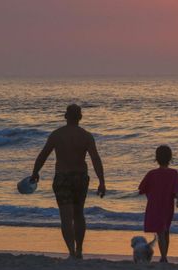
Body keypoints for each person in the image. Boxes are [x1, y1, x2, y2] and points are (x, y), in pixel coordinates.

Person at [30, 104, 106, 259]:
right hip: (80, 177)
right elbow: (95, 159)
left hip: (62, 177)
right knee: (79, 214)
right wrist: (102, 181)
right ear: (80, 117)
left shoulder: (57, 135)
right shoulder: (86, 136)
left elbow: (43, 154)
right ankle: (79, 250)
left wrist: (35, 172)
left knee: (65, 216)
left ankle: (71, 251)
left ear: (66, 116)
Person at [138, 145, 178, 263]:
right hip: (168, 206)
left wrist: (150, 194)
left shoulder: (152, 174)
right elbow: (176, 189)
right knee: (165, 231)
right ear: (170, 158)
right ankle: (164, 256)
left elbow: (141, 188)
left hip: (155, 205)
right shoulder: (174, 173)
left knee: (161, 231)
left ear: (156, 158)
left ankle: (163, 257)